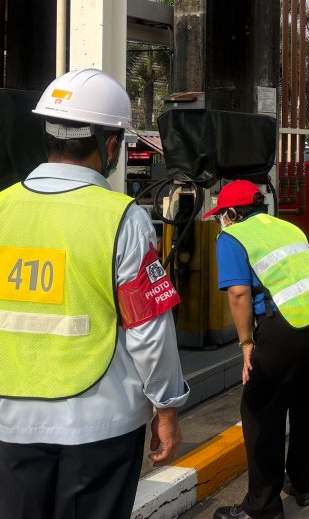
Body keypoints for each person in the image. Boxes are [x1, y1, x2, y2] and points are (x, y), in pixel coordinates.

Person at [0, 68, 188, 519]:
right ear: (109, 145)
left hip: (9, 421)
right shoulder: (123, 219)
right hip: (99, 427)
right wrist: (167, 407)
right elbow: (148, 330)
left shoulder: (3, 206)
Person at [209, 180, 309, 519]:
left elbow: (238, 294)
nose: (220, 221)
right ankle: (304, 485)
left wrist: (246, 346)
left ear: (230, 212)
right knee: (307, 401)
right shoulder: (288, 227)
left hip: (287, 325)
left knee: (259, 411)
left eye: (220, 216)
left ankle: (262, 506)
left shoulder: (232, 237)